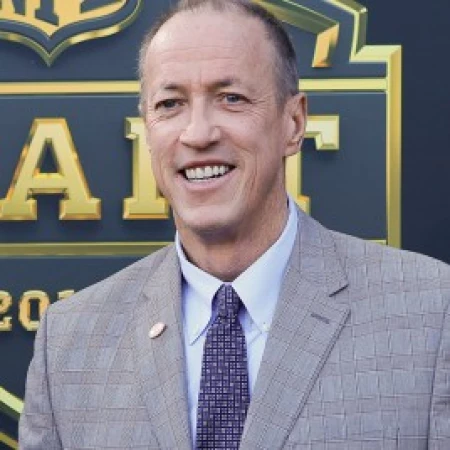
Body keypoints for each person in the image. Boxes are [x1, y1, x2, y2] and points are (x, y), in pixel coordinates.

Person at [19, 0, 450, 448]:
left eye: (231, 99)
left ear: (294, 123)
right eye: (170, 103)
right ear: (148, 129)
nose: (197, 133)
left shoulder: (433, 313)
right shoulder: (68, 344)